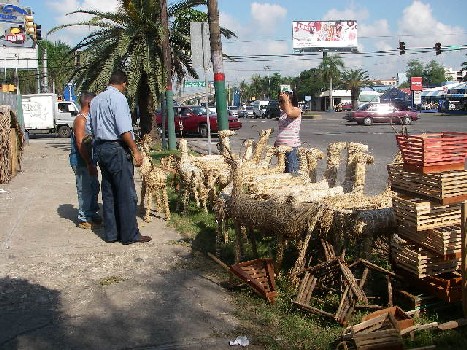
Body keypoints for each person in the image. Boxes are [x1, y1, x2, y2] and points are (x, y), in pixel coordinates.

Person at [88, 70, 151, 245]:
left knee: (109, 193)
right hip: (116, 149)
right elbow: (124, 129)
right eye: (126, 86)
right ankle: (130, 234)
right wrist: (135, 151)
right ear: (123, 83)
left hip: (101, 148)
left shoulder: (96, 100)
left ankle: (112, 234)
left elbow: (91, 128)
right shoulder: (119, 99)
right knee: (126, 193)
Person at [69, 92, 101, 229]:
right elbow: (80, 143)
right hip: (82, 161)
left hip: (89, 160)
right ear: (89, 104)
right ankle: (84, 218)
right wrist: (89, 163)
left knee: (94, 187)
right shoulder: (80, 120)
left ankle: (92, 212)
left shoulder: (89, 119)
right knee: (85, 190)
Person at [274, 89, 302, 173]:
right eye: (279, 101)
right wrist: (277, 142)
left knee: (292, 173)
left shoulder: (297, 110)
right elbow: (282, 129)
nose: (280, 104)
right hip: (281, 148)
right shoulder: (282, 113)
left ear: (289, 100)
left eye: (281, 101)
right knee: (283, 173)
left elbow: (290, 113)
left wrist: (285, 99)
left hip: (291, 148)